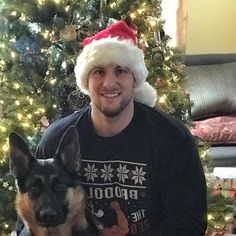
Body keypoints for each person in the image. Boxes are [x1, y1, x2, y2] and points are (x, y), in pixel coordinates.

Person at [34, 21, 207, 235]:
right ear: (86, 81)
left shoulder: (172, 140)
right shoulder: (55, 141)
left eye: (120, 71)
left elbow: (188, 223)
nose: (109, 83)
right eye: (98, 71)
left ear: (134, 78)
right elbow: (32, 220)